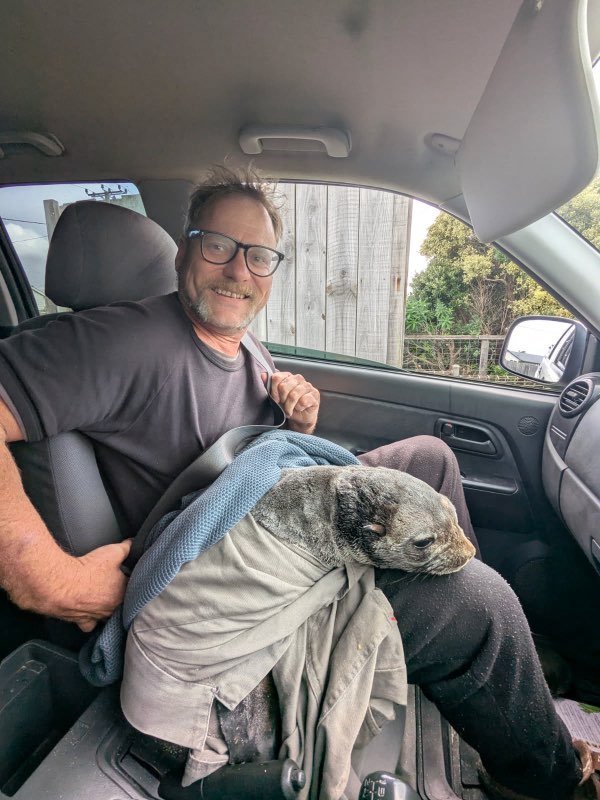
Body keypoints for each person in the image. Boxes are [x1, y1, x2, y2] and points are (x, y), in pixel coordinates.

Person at [0, 166, 596, 800]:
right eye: (218, 245)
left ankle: (493, 676)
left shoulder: (238, 343)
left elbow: (254, 454)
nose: (239, 270)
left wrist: (299, 421)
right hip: (227, 593)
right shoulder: (117, 340)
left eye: (259, 256)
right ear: (183, 252)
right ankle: (551, 776)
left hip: (271, 527)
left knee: (432, 459)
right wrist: (48, 579)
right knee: (478, 603)